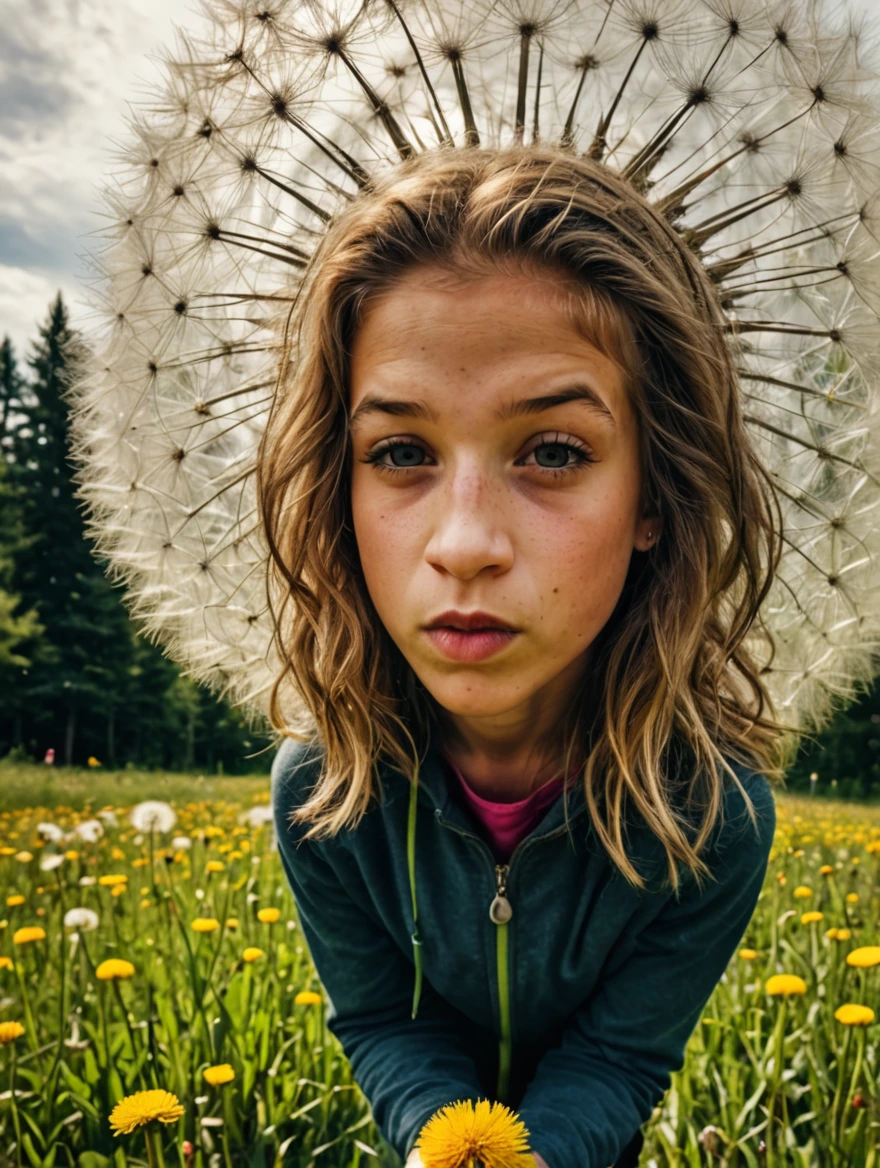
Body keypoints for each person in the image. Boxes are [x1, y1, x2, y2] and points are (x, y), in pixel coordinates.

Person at [266, 144, 784, 1168]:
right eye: (401, 452)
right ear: (339, 487)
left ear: (653, 499)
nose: (462, 544)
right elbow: (382, 1021)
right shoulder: (323, 796)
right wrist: (439, 1147)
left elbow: (620, 1059)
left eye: (552, 451)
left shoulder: (711, 817)